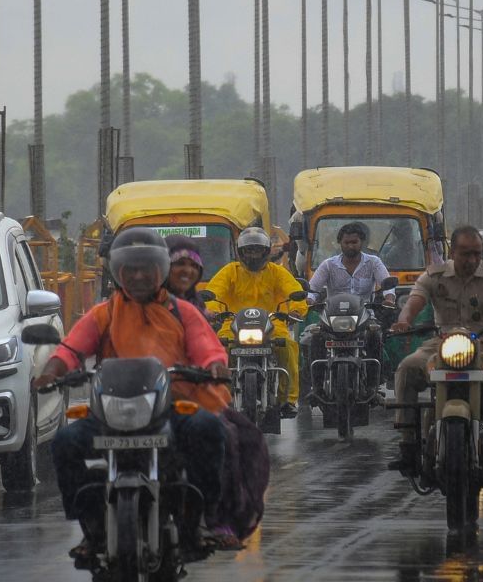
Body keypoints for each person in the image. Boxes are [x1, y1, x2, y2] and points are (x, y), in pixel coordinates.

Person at [35, 228, 234, 556]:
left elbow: (207, 349)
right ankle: (91, 525)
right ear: (119, 272)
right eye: (132, 269)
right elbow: (71, 350)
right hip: (110, 411)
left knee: (209, 430)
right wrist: (51, 372)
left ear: (161, 271)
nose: (139, 275)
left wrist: (214, 366)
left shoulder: (182, 312)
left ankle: (196, 520)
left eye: (146, 268)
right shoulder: (105, 312)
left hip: (169, 407)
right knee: (65, 443)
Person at [388, 225, 483, 473]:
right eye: (466, 253)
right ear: (452, 251)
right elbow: (415, 300)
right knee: (406, 369)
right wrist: (404, 321)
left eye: (477, 253)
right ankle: (408, 445)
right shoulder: (434, 276)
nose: (472, 260)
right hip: (441, 343)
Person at [206, 227, 308, 419]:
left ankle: (287, 399)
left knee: (287, 346)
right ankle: (220, 396)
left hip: (272, 323)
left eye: (257, 250)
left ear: (267, 251)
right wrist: (212, 310)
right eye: (249, 250)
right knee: (219, 349)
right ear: (240, 252)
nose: (253, 255)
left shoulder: (278, 272)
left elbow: (293, 291)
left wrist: (296, 310)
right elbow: (214, 292)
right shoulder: (229, 271)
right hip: (233, 323)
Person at [304, 222, 396, 393]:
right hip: (332, 318)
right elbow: (313, 288)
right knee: (315, 338)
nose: (350, 246)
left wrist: (389, 297)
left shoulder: (373, 262)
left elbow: (387, 284)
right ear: (340, 243)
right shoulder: (328, 265)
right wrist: (309, 299)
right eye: (347, 242)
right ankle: (316, 387)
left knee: (375, 336)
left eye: (354, 242)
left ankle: (372, 385)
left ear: (362, 242)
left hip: (364, 316)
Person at [165, 234, 207, 315]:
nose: (188, 270)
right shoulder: (151, 306)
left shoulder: (197, 304)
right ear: (164, 266)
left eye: (194, 265)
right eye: (180, 263)